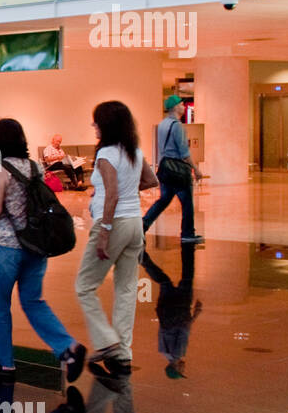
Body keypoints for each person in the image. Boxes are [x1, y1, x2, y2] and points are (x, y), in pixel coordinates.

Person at [0, 118, 86, 388]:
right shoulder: (34, 167)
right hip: (36, 245)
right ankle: (67, 347)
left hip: (7, 247)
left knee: (1, 306)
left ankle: (2, 363)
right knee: (33, 301)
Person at [74, 102, 158, 379]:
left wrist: (105, 231)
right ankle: (122, 351)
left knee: (85, 286)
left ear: (106, 125)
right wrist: (126, 189)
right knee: (125, 288)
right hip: (135, 224)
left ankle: (107, 341)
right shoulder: (134, 151)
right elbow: (151, 180)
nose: (93, 126)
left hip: (114, 224)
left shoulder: (107, 153)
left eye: (96, 121)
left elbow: (111, 195)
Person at [142, 95, 203, 242]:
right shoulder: (177, 126)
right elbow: (184, 153)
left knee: (163, 200)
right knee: (187, 202)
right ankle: (188, 233)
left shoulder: (162, 124)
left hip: (165, 168)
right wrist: (196, 169)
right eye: (182, 104)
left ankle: (143, 224)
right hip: (179, 170)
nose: (183, 106)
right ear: (175, 107)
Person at [141, 245, 201, 380]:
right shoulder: (163, 351)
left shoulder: (178, 353)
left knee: (187, 276)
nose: (184, 368)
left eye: (181, 370)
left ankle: (188, 247)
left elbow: (184, 329)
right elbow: (162, 329)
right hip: (165, 310)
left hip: (180, 308)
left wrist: (196, 313)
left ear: (175, 368)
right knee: (164, 281)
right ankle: (142, 258)